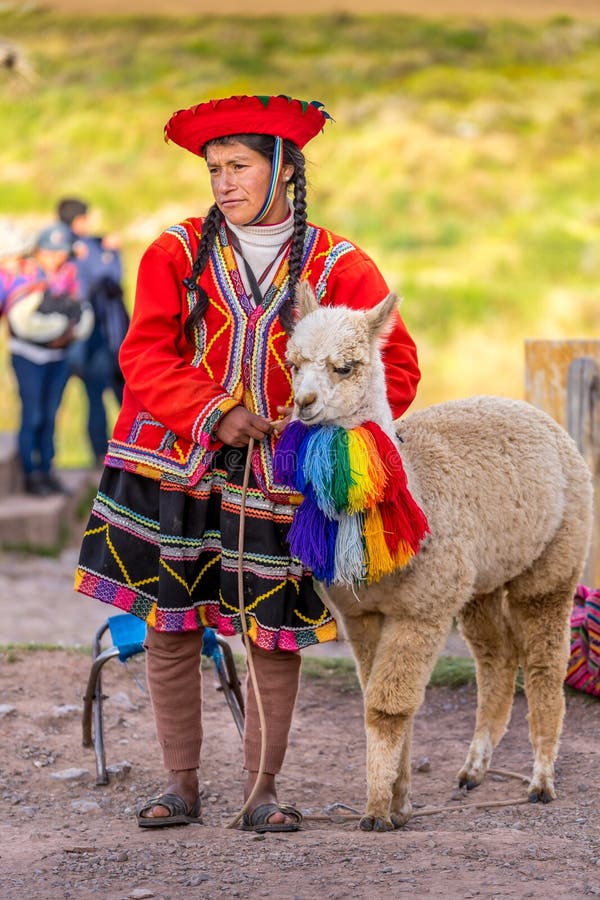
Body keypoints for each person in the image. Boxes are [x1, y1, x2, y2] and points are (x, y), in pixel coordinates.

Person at [74, 94, 421, 831]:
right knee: (171, 624)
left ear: (282, 169)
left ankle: (263, 790)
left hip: (282, 476)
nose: (224, 181)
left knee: (270, 632)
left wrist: (326, 428)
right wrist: (216, 413)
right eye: (214, 169)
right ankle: (181, 785)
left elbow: (396, 364)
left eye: (239, 165)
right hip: (178, 463)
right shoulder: (175, 250)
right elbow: (143, 353)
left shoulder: (340, 265)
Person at [5, 222, 93, 495]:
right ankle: (31, 475)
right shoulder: (25, 275)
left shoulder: (68, 276)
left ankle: (47, 468)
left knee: (51, 413)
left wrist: (68, 334)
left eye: (60, 252)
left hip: (58, 355)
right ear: (39, 252)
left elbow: (82, 312)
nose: (56, 257)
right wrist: (59, 329)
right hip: (28, 356)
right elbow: (20, 320)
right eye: (50, 252)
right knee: (33, 414)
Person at [57, 197, 130, 466]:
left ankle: (100, 453)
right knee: (108, 392)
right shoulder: (82, 248)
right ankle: (117, 453)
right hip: (96, 337)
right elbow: (108, 277)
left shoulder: (56, 244)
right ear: (79, 220)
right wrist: (112, 253)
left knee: (92, 395)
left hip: (68, 337)